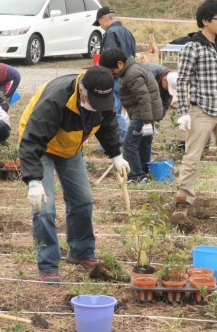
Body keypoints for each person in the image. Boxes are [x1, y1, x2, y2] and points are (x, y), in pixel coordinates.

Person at [18, 66, 129, 283]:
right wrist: (33, 180)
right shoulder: (56, 100)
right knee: (45, 208)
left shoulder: (101, 98)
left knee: (83, 200)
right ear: (82, 91)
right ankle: (48, 264)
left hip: (69, 147)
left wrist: (116, 154)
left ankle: (81, 251)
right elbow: (31, 141)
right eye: (93, 103)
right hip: (41, 146)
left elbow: (107, 124)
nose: (98, 108)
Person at [173, 0, 217, 218]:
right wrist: (183, 111)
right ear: (205, 21)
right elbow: (182, 81)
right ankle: (183, 201)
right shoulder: (193, 47)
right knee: (192, 157)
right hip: (203, 109)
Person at [100, 48, 163, 184]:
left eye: (112, 69)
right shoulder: (134, 67)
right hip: (145, 113)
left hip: (142, 115)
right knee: (144, 143)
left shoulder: (132, 74)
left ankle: (136, 176)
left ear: (120, 64)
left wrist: (146, 122)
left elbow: (144, 97)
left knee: (129, 144)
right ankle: (144, 172)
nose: (111, 73)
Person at [94, 6, 137, 141]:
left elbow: (109, 58)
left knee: (113, 111)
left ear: (104, 19)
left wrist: (102, 75)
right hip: (128, 75)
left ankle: (126, 138)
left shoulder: (111, 33)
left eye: (99, 22)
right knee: (124, 110)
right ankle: (107, 143)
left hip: (114, 77)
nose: (100, 26)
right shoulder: (127, 31)